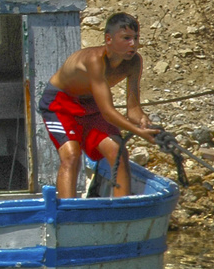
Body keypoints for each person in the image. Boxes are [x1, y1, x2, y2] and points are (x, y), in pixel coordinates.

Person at [38, 12, 160, 199]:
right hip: (60, 104)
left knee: (118, 151)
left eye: (136, 38)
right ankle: (68, 215)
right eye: (126, 38)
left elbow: (133, 109)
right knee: (71, 155)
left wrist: (144, 122)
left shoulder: (134, 62)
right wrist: (138, 132)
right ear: (108, 39)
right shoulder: (95, 60)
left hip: (91, 104)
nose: (133, 44)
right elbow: (108, 112)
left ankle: (123, 211)